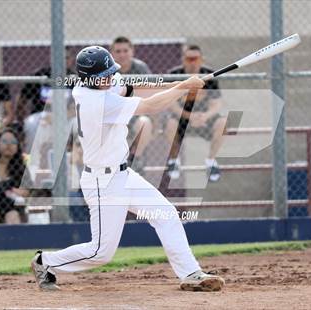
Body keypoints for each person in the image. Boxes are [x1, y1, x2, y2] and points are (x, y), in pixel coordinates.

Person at [30, 46, 225, 292]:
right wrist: (183, 88)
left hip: (123, 174)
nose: (111, 77)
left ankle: (190, 273)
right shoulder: (97, 101)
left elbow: (135, 89)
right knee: (101, 252)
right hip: (103, 183)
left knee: (165, 213)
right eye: (106, 74)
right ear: (89, 78)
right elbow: (149, 106)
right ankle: (44, 262)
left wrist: (181, 84)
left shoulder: (98, 84)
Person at [166, 45, 227, 182]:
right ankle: (174, 160)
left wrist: (206, 115)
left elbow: (216, 103)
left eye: (195, 59)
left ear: (201, 60)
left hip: (204, 117)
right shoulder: (174, 75)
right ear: (183, 59)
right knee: (170, 124)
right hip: (181, 117)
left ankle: (211, 161)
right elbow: (171, 104)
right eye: (189, 59)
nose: (192, 62)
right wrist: (189, 116)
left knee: (223, 123)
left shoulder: (209, 75)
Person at [110, 36, 153, 175]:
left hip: (134, 113)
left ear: (132, 51)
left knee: (145, 123)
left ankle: (135, 159)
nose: (122, 54)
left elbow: (149, 92)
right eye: (118, 51)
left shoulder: (140, 68)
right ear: (112, 53)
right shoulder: (108, 70)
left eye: (125, 50)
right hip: (112, 115)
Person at [16, 49, 77, 123]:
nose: (63, 61)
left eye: (67, 58)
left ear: (71, 60)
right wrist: (21, 120)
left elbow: (77, 108)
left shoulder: (75, 79)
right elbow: (22, 99)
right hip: (41, 115)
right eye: (60, 58)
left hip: (66, 116)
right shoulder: (40, 75)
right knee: (32, 122)